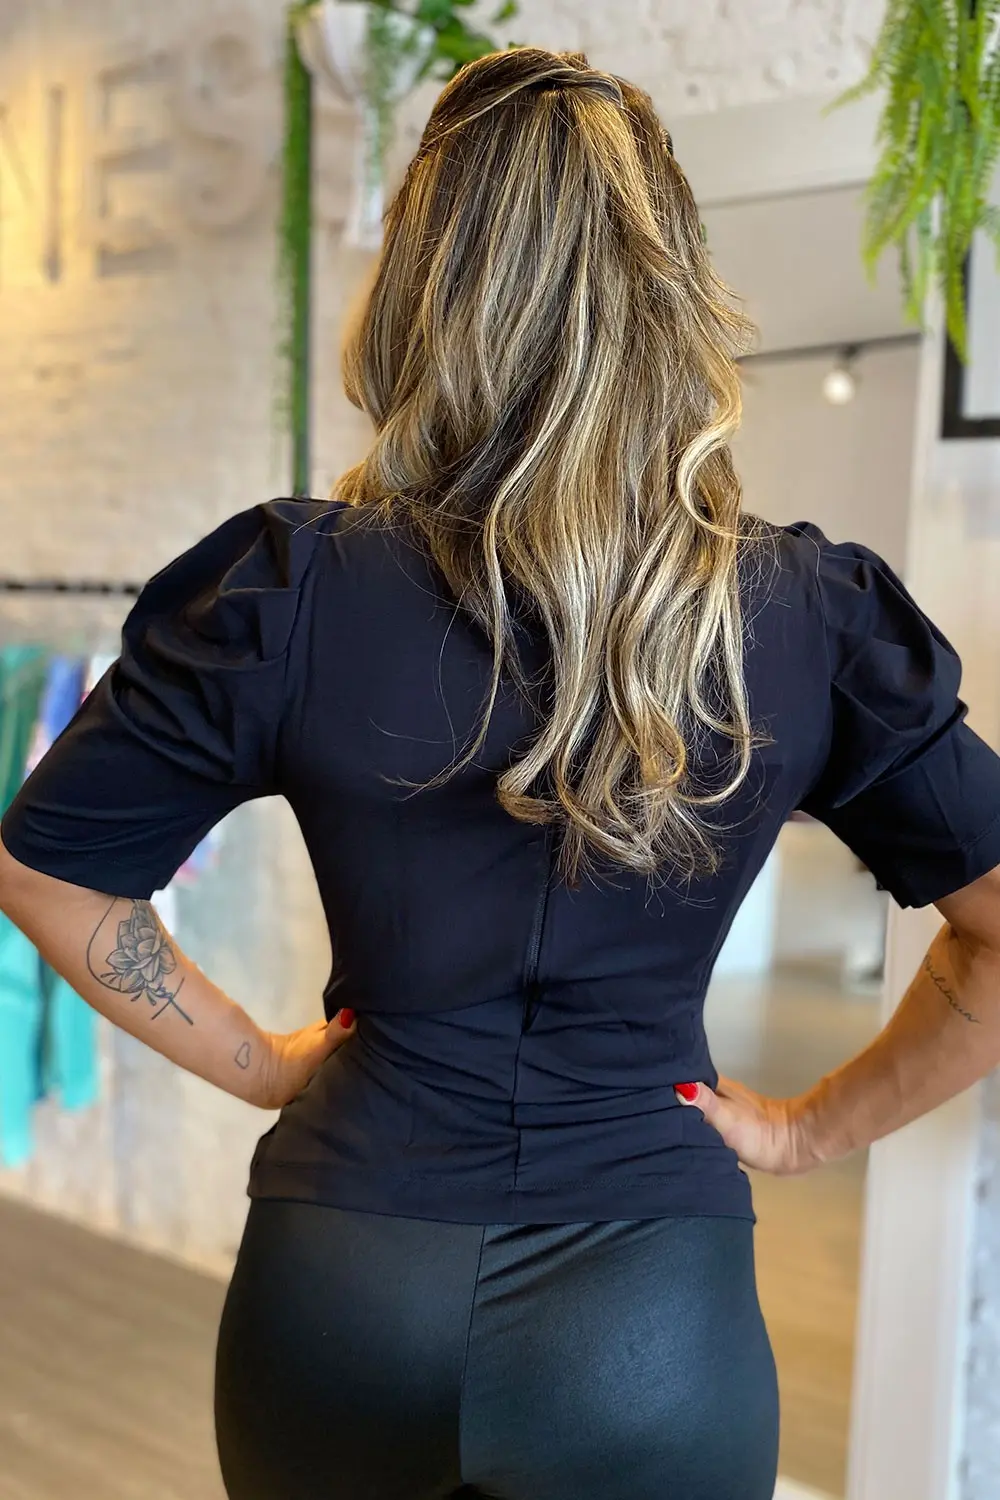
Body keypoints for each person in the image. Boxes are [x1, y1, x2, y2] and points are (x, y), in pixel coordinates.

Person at [2, 46, 1000, 1500]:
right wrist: (806, 1130)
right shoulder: (806, 614)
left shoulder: (294, 587)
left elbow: (49, 869)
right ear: (672, 296)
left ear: (425, 288)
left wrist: (261, 1062)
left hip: (343, 1288)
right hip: (651, 1326)